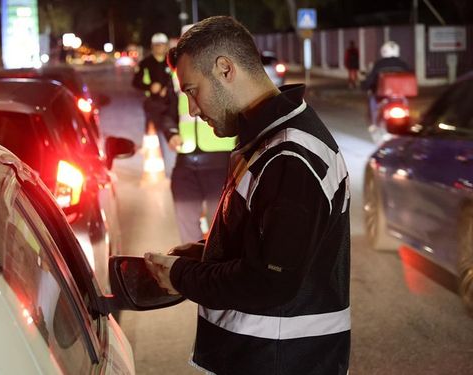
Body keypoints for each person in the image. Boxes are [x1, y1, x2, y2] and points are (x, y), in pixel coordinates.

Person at [144, 16, 351, 374]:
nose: (191, 109)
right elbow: (263, 240)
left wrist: (183, 276)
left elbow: (271, 281)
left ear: (225, 69)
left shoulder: (290, 157)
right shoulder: (268, 139)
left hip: (282, 361)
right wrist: (201, 253)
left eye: (192, 90)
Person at [164, 24, 236, 243]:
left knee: (221, 228)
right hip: (185, 162)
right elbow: (166, 110)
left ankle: (214, 271)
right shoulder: (176, 77)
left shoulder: (222, 76)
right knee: (186, 226)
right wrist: (171, 132)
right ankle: (193, 268)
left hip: (219, 162)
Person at [132, 32, 177, 176]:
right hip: (153, 105)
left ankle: (171, 169)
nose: (160, 48)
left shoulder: (172, 63)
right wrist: (150, 86)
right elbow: (136, 82)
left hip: (171, 105)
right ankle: (156, 168)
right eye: (157, 45)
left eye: (162, 45)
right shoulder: (146, 63)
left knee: (171, 134)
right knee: (154, 135)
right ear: (152, 47)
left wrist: (167, 89)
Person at [362, 41, 412, 125]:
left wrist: (365, 85)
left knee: (372, 99)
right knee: (406, 103)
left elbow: (370, 79)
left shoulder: (379, 64)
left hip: (382, 95)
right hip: (400, 95)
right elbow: (410, 78)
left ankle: (374, 124)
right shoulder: (403, 64)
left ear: (383, 51)